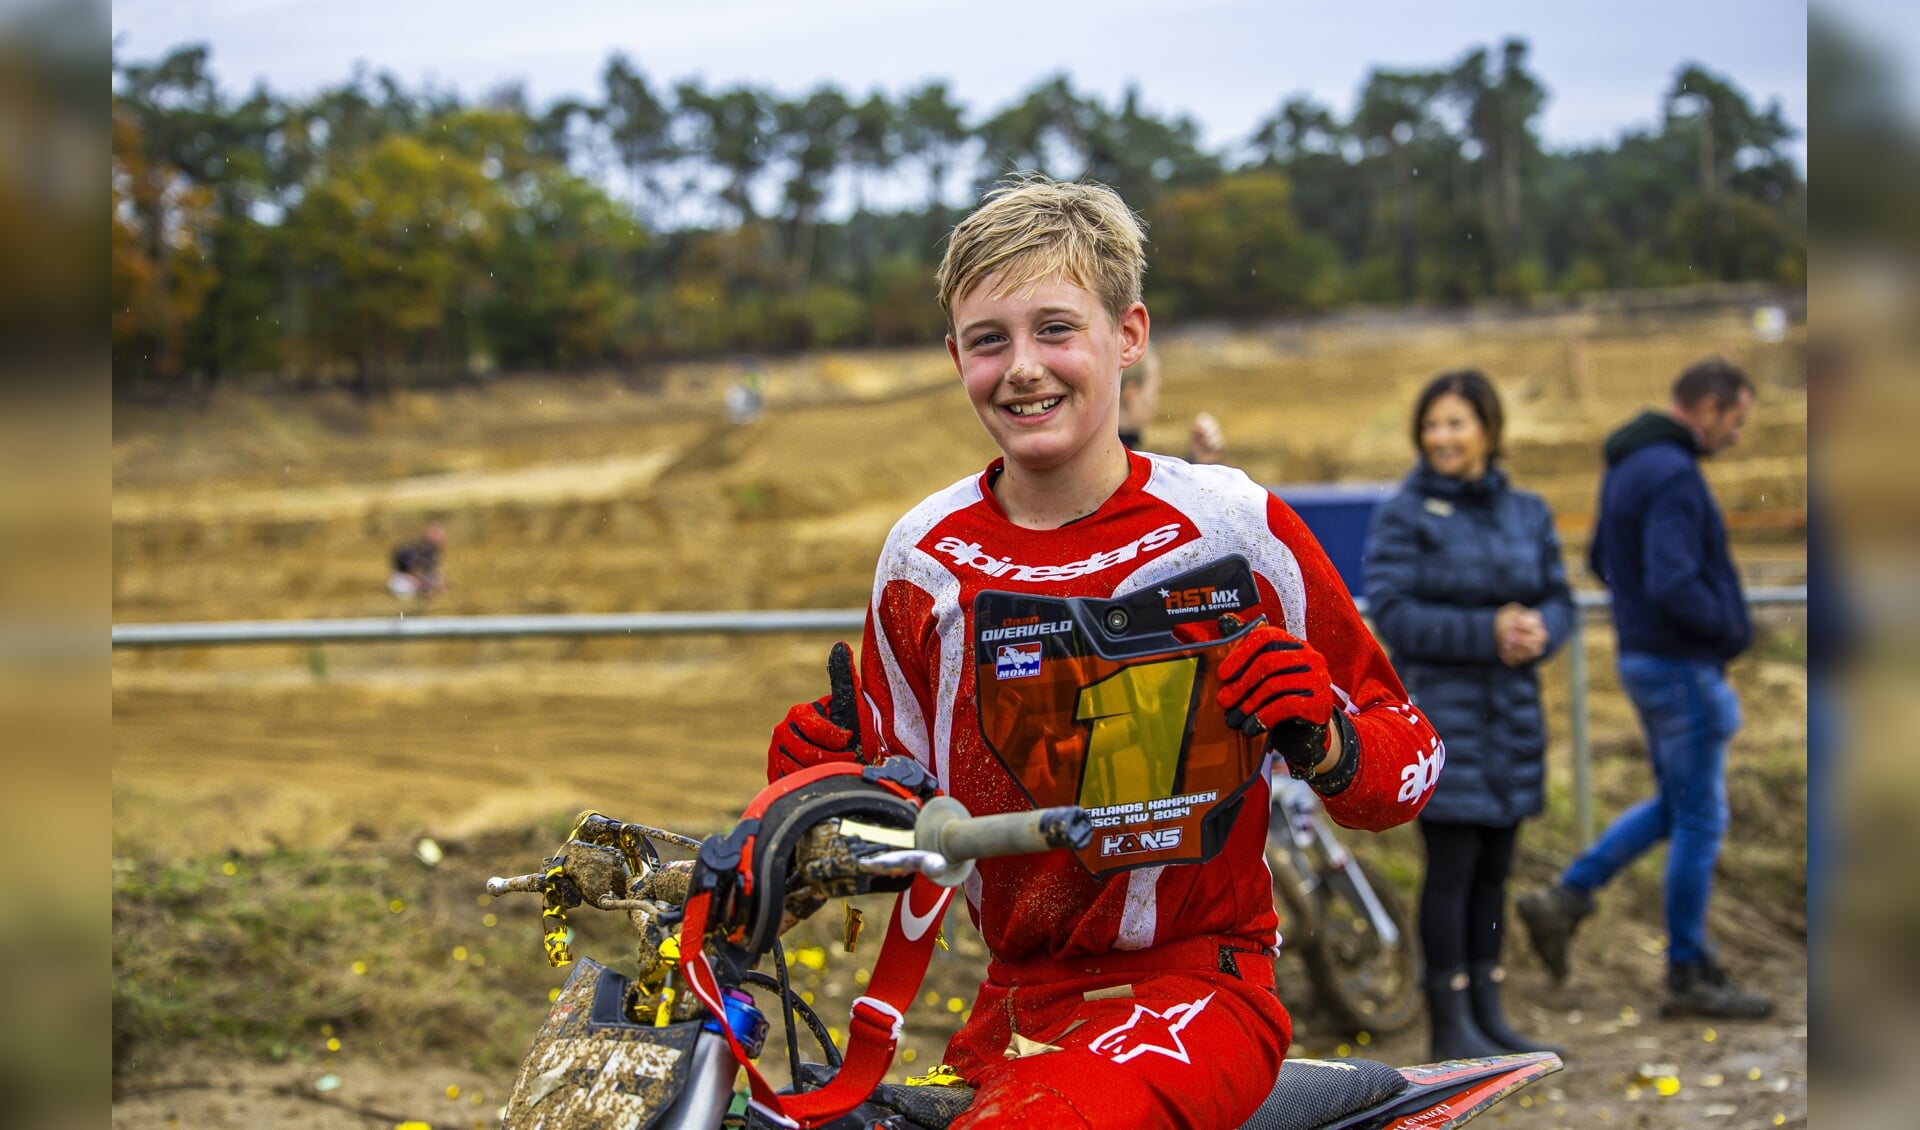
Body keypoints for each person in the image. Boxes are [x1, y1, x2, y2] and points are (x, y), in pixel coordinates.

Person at [765, 175, 1445, 1128]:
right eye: (989, 339)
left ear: (1128, 336)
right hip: (1011, 1012)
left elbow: (1409, 763)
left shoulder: (1235, 527)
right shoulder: (922, 560)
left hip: (1196, 991)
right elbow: (908, 824)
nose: (1023, 368)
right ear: (954, 354)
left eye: (1056, 329)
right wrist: (817, 796)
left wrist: (1327, 738)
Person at [1516, 357, 1773, 1020]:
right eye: (1736, 421)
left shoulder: (1631, 465)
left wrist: (1644, 615)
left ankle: (1566, 898)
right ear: (1709, 409)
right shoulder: (1675, 473)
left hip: (1645, 660)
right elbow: (1673, 579)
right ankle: (1687, 971)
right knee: (1699, 817)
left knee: (1673, 805)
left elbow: (1604, 558)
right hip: (1682, 669)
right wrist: (1729, 631)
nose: (1737, 436)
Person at [1363, 370, 1574, 1061]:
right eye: (1432, 425)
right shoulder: (1406, 512)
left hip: (1512, 715)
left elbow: (1560, 598)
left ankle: (1490, 1006)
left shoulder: (1528, 511)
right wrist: (1486, 632)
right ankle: (1448, 1018)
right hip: (1444, 717)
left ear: (1488, 429)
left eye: (1455, 424)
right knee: (1450, 870)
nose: (1441, 438)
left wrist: (1543, 628)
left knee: (1496, 869)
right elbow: (1393, 612)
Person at [1119, 346, 1227, 464]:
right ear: (1131, 394)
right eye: (1155, 391)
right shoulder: (1123, 463)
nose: (1156, 401)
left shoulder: (1114, 457)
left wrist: (1199, 461)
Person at [388, 522, 447, 599]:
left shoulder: (428, 552)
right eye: (440, 539)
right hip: (403, 582)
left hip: (404, 580)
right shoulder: (419, 551)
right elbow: (414, 570)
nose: (442, 543)